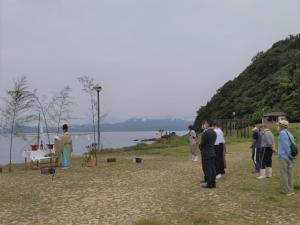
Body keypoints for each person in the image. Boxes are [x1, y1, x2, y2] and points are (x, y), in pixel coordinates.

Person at [278, 120, 295, 195]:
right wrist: (291, 155)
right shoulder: (289, 133)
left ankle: (287, 190)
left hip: (284, 156)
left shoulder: (282, 133)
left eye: (279, 125)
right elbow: (293, 144)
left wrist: (289, 155)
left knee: (284, 173)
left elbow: (286, 145)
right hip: (290, 156)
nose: (278, 126)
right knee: (290, 173)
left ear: (281, 125)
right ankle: (291, 189)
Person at [199, 119, 217, 188]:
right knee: (213, 168)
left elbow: (202, 144)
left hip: (206, 153)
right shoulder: (214, 132)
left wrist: (200, 146)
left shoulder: (205, 133)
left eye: (205, 123)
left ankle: (209, 184)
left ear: (208, 124)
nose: (204, 125)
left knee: (208, 169)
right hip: (212, 151)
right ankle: (213, 183)